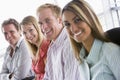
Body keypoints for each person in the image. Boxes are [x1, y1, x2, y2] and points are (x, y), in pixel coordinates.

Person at [62, 0, 120, 80]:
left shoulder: (111, 52)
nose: (73, 29)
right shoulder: (81, 58)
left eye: (77, 20)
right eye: (67, 24)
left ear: (89, 19)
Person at [36, 3, 80, 80]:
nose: (44, 27)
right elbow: (47, 77)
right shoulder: (52, 47)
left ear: (60, 20)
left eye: (48, 21)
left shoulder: (69, 43)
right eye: (40, 23)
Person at [20, 15, 50, 80]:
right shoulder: (35, 50)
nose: (28, 35)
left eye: (30, 30)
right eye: (24, 33)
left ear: (37, 28)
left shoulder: (46, 47)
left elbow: (50, 76)